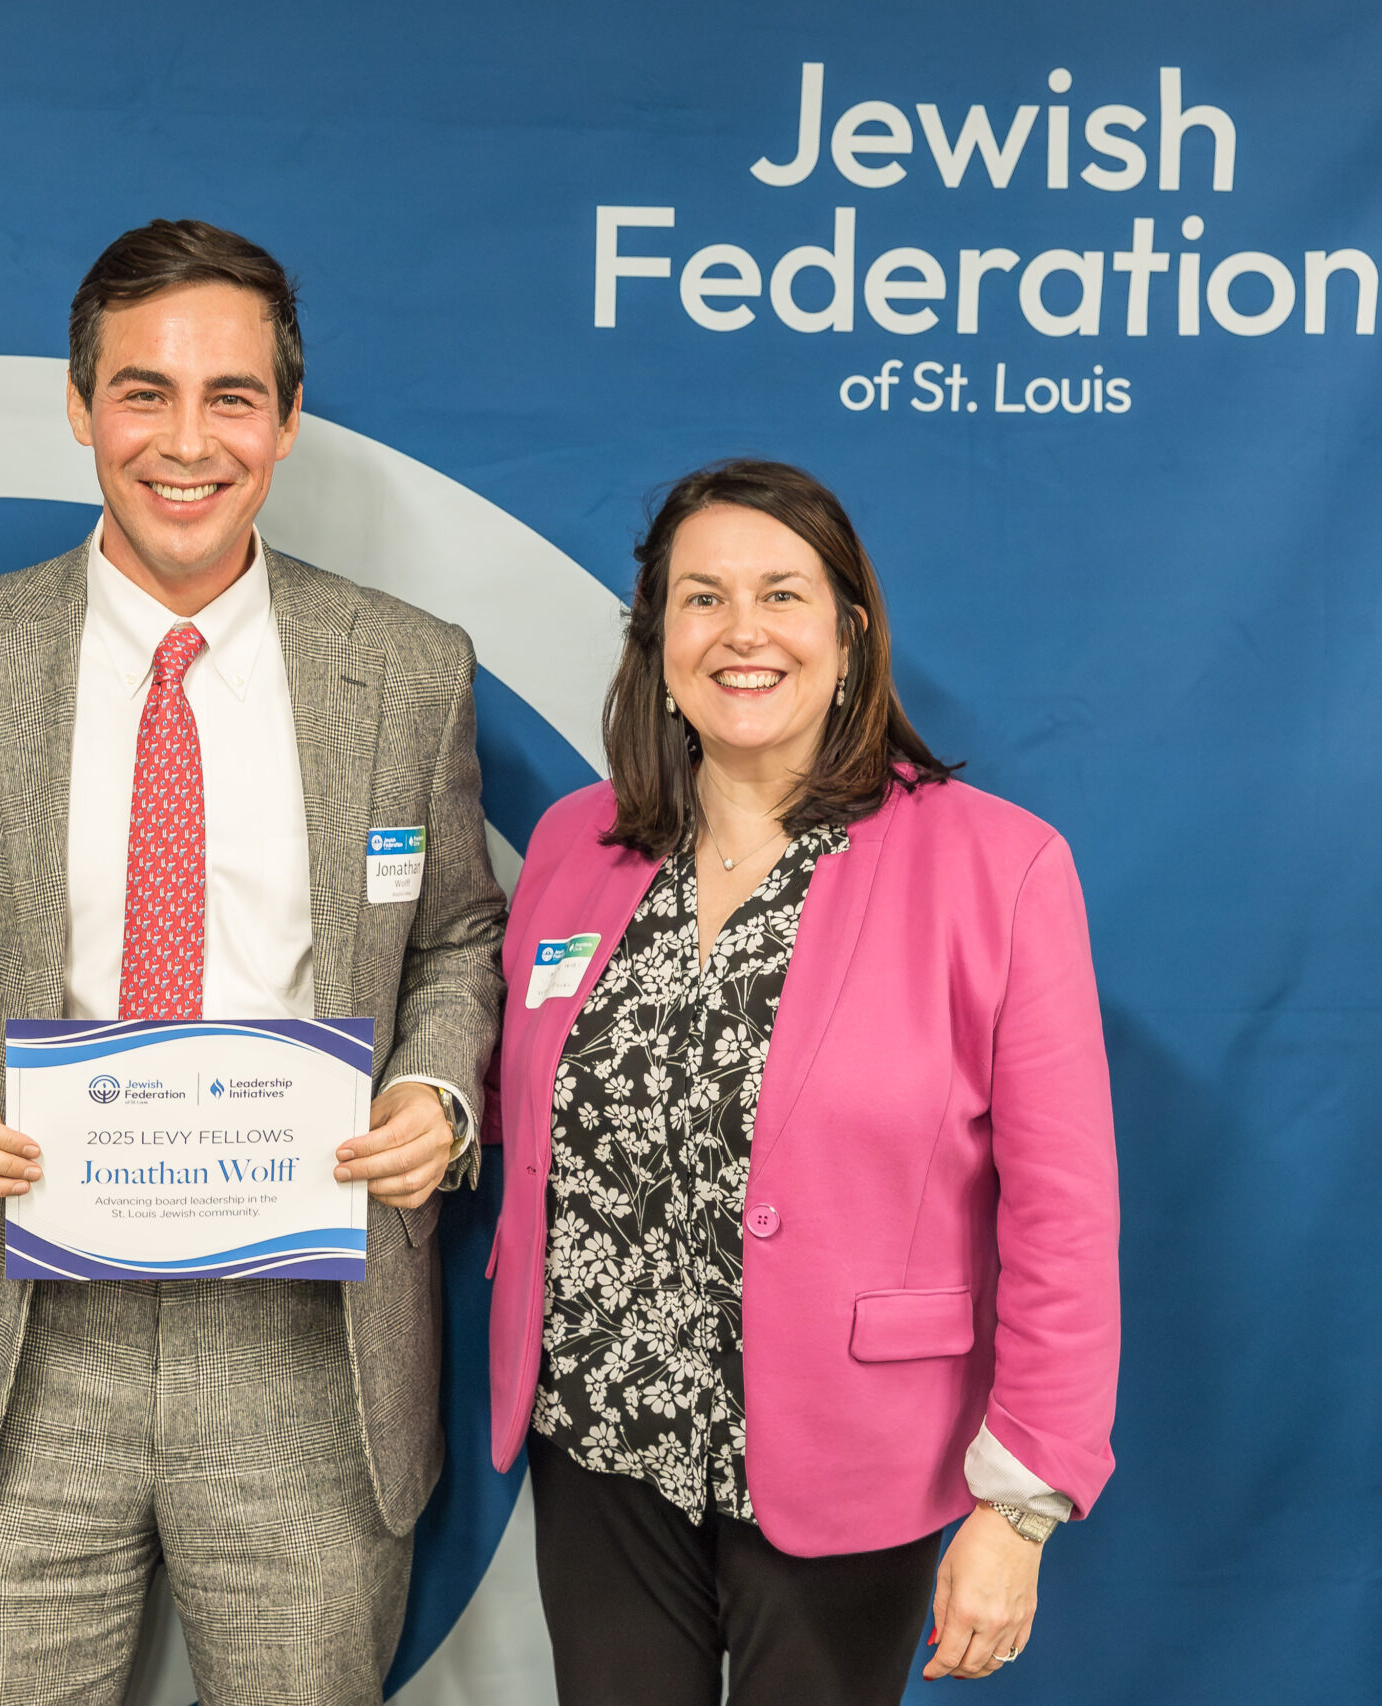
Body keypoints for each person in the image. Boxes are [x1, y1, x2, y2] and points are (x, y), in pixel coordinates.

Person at [0, 218, 507, 1706]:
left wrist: (436, 1093)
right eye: (143, 392)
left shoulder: (409, 668)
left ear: (287, 418)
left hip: (309, 1341)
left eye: (232, 396)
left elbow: (459, 935)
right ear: (80, 406)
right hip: (15, 1336)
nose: (188, 440)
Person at [485, 459, 1120, 1704]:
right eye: (701, 597)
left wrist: (1019, 1504)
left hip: (853, 1452)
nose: (742, 632)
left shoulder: (997, 866)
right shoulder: (575, 843)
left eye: (781, 594)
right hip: (599, 1437)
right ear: (655, 636)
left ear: (850, 633)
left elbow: (1064, 1212)